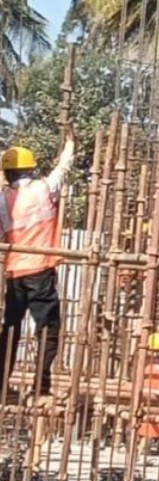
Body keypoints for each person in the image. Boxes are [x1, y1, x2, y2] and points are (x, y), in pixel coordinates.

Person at [0, 139, 75, 403]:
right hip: (40, 271)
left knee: (10, 329)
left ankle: (1, 387)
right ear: (30, 168)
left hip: (14, 274)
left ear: (8, 172)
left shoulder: (3, 201)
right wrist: (69, 144)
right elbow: (63, 168)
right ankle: (40, 389)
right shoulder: (44, 189)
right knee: (47, 329)